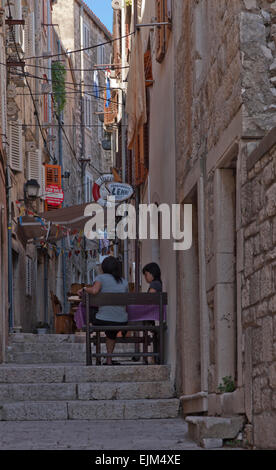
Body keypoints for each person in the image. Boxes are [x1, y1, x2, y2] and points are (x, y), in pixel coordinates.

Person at [79, 256, 128, 365]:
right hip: (121, 320)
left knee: (91, 311)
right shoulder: (124, 281)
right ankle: (109, 360)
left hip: (103, 320)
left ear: (104, 267)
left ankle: (86, 328)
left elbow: (95, 290)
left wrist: (84, 289)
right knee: (111, 331)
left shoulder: (100, 278)